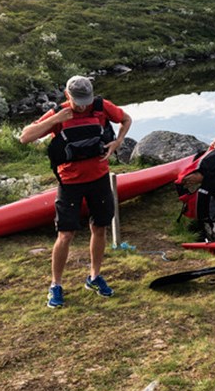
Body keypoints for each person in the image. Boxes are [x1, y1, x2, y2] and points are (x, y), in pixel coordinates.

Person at [19, 75, 132, 309]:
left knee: (99, 227)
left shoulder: (101, 107)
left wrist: (118, 141)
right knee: (65, 234)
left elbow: (126, 119)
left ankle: (94, 276)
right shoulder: (58, 114)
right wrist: (55, 120)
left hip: (99, 179)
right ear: (67, 95)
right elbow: (25, 137)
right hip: (70, 183)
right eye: (78, 100)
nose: (82, 105)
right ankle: (56, 285)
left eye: (86, 100)